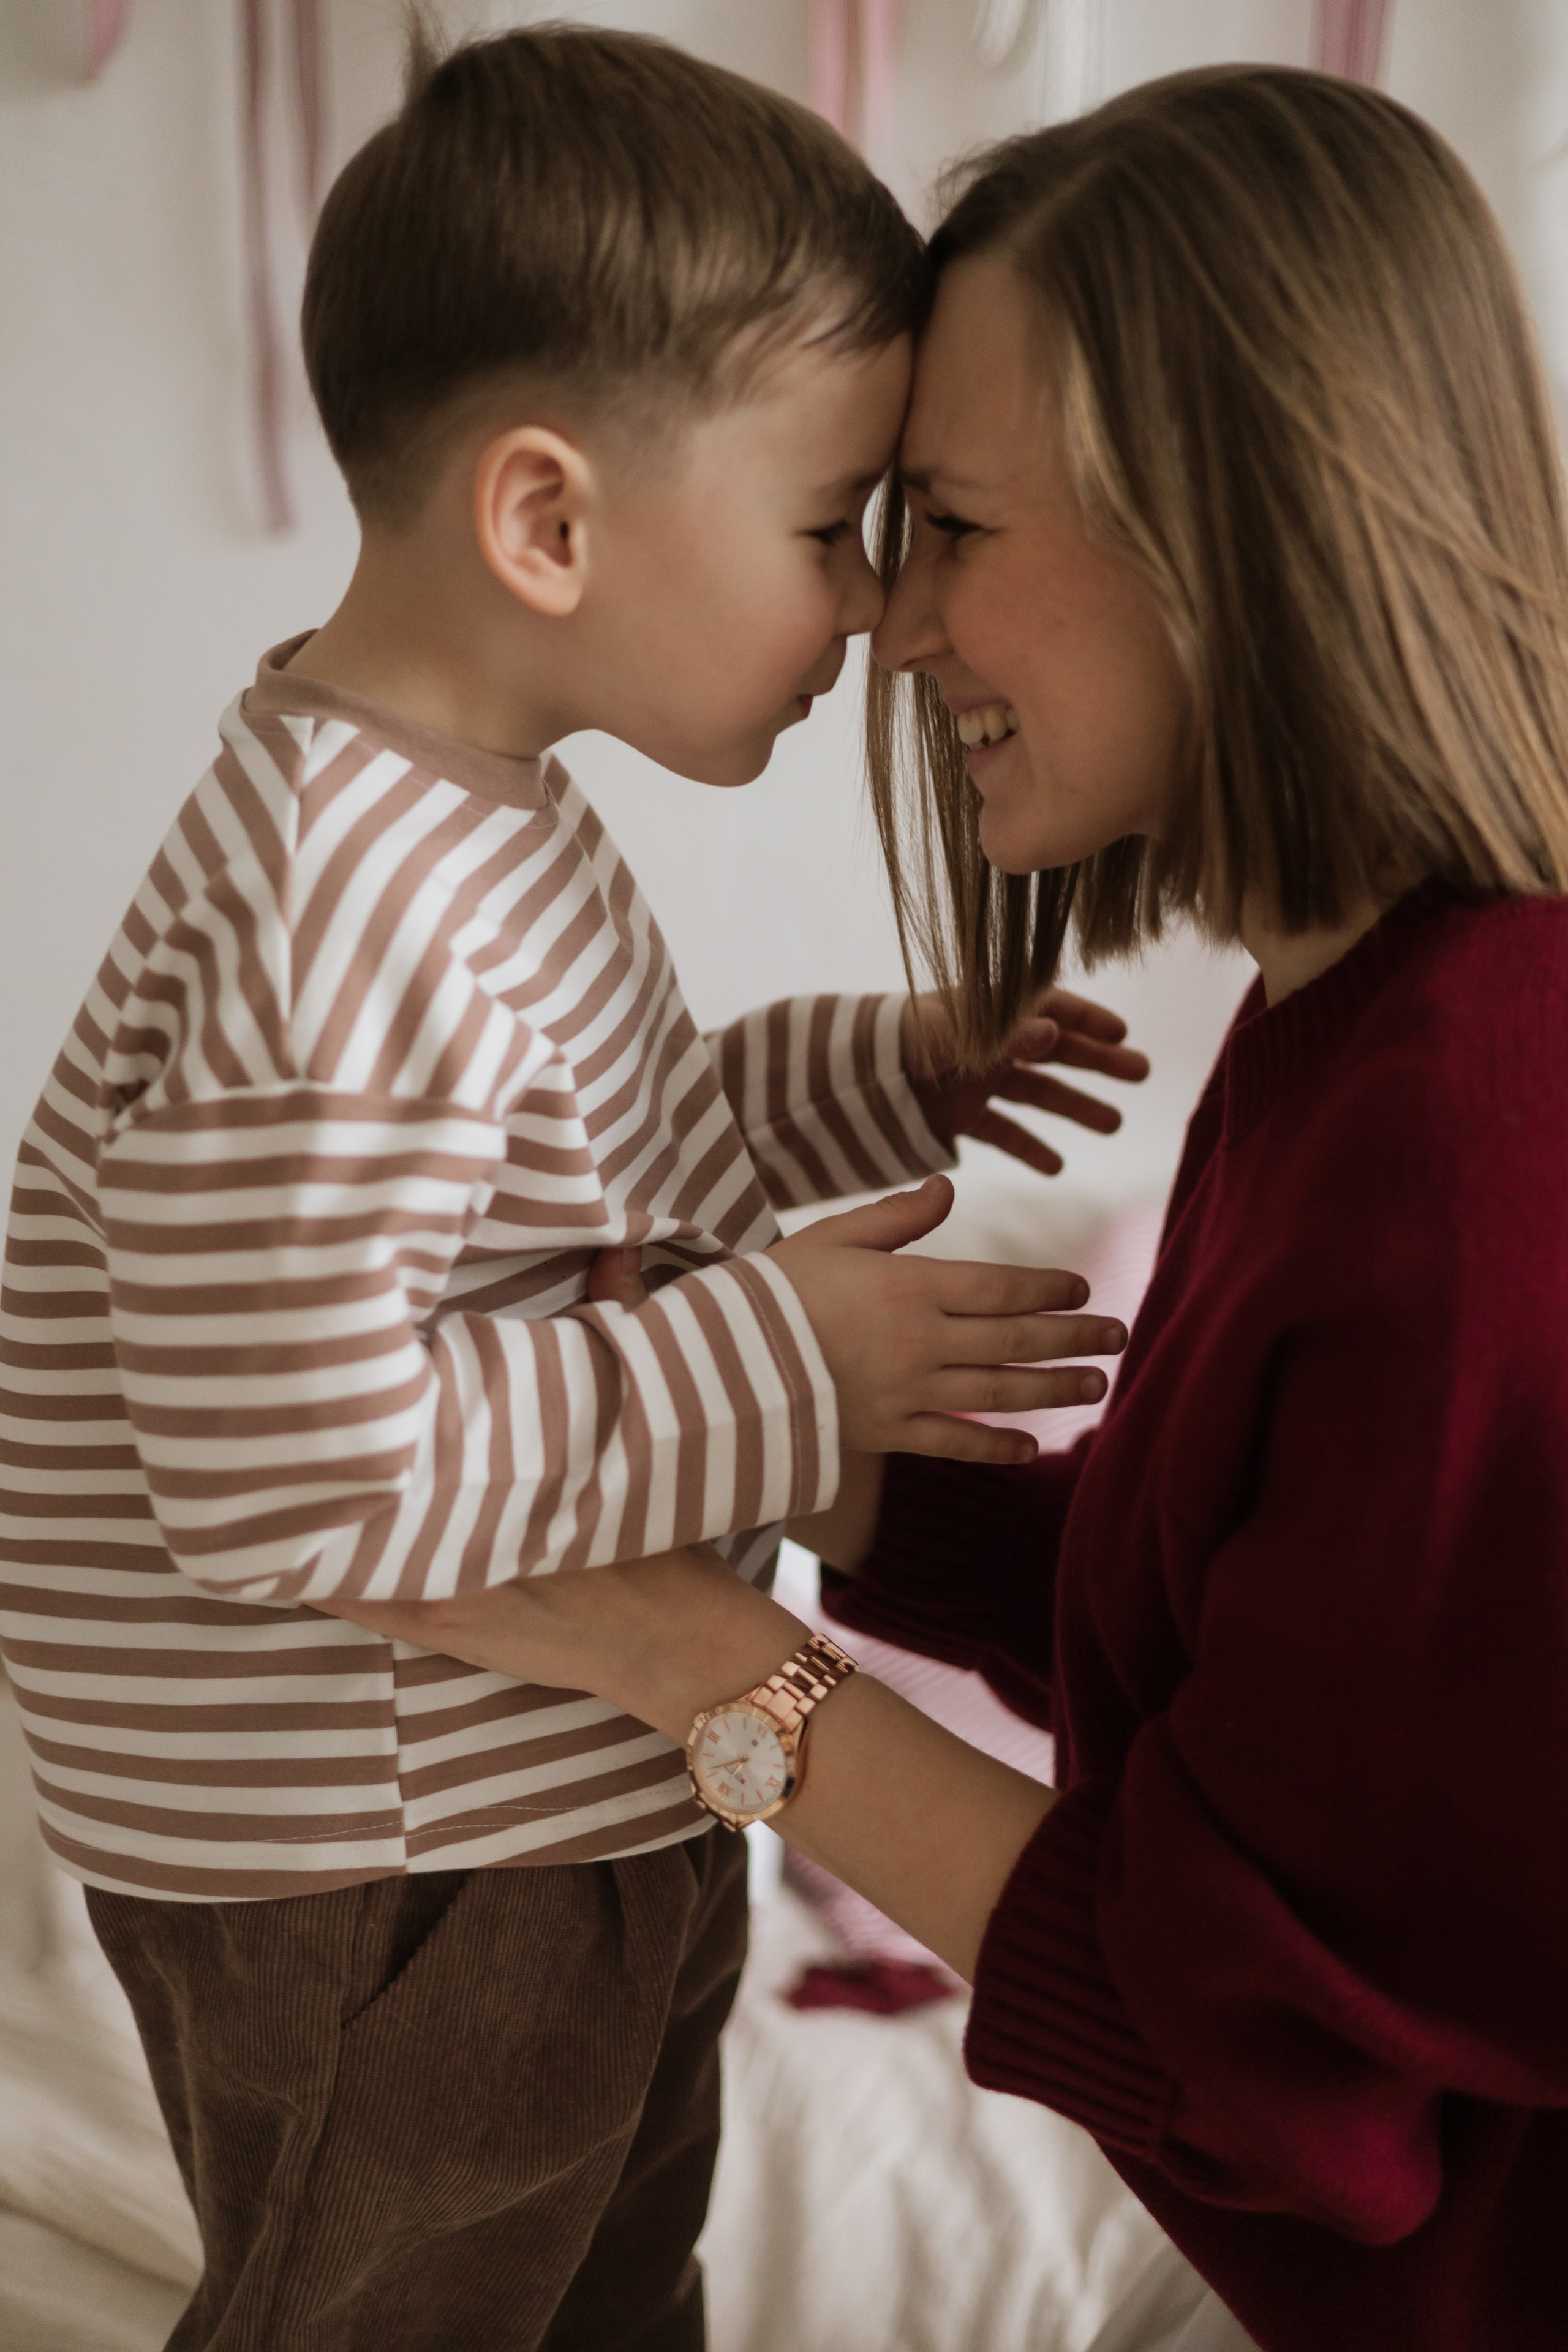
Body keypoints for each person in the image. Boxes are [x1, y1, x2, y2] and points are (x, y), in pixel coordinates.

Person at [336, 65, 1568, 2352]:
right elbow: (1271, 1649)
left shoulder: (1489, 1134)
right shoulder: (1363, 1019)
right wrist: (768, 1431)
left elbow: (1264, 2065)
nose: (896, 633)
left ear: (1241, 519)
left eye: (955, 529)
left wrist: (698, 1656)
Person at [0, 26, 1144, 2352]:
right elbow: (290, 1474)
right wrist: (785, 1367)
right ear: (546, 521)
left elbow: (568, 1175)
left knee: (611, 2268)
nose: (871, 615)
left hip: (539, 1795)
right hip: (382, 1852)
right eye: (833, 529)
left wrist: (874, 1075)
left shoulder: (468, 819)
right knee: (414, 2301)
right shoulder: (340, 909)